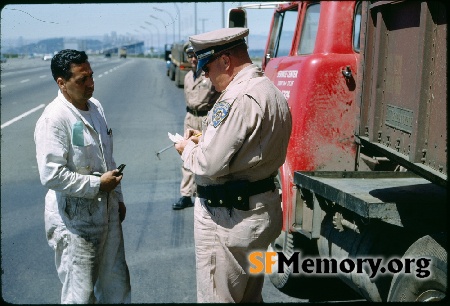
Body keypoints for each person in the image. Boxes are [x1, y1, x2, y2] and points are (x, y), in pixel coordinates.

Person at [174, 28, 292, 303]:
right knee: (250, 297)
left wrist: (188, 148)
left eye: (207, 66)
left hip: (228, 218)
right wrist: (208, 139)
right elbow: (254, 144)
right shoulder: (268, 88)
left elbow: (209, 164)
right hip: (259, 210)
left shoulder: (236, 97)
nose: (204, 75)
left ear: (225, 61)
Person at [34, 49, 131, 304]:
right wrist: (97, 185)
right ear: (62, 83)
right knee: (81, 294)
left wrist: (117, 197)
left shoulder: (95, 107)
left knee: (116, 286)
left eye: (91, 76)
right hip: (74, 221)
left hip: (107, 213)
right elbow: (51, 174)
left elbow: (108, 158)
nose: (90, 84)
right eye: (82, 79)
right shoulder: (54, 118)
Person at [173, 43, 220, 210]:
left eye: (195, 56)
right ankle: (186, 195)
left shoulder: (209, 76)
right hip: (190, 117)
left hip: (206, 118)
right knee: (186, 154)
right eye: (189, 56)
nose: (193, 59)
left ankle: (207, 192)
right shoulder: (187, 77)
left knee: (207, 155)